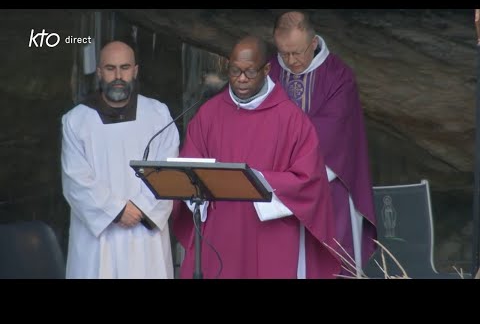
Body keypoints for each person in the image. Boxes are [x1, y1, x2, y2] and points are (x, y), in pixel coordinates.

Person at [172, 35, 341, 279]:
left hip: (269, 237)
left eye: (250, 72)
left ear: (267, 70)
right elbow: (190, 169)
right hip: (219, 236)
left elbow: (310, 182)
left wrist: (255, 180)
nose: (241, 79)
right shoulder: (209, 113)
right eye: (234, 71)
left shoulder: (292, 120)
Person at [269, 10, 376, 276]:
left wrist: (289, 159)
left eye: (298, 52)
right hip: (275, 190)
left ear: (314, 42)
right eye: (284, 53)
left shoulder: (340, 76)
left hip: (329, 185)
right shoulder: (268, 72)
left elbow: (335, 131)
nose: (291, 61)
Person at [61, 40, 180, 279]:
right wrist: (116, 211)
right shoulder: (76, 120)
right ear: (99, 72)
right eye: (110, 68)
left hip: (146, 235)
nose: (118, 75)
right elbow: (75, 180)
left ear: (135, 70)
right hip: (98, 240)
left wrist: (140, 208)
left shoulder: (158, 114)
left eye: (124, 68)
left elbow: (168, 169)